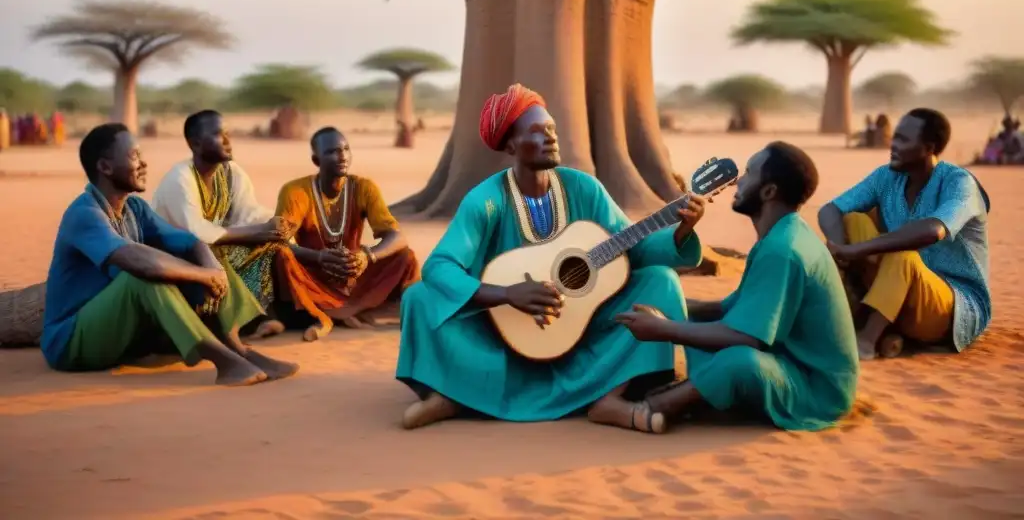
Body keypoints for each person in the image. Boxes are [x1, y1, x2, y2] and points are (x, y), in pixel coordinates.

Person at [395, 84, 706, 433]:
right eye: (537, 132)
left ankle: (611, 398)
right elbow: (439, 265)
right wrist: (506, 294)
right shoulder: (485, 201)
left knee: (660, 280)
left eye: (552, 130)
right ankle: (449, 395)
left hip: (579, 329)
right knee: (419, 297)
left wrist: (680, 231)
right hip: (505, 334)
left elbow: (631, 246)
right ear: (511, 144)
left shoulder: (585, 188)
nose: (551, 138)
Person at [617, 142, 859, 432]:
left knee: (738, 360)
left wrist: (663, 329)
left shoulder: (783, 249)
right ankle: (684, 391)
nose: (739, 181)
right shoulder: (781, 234)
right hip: (785, 362)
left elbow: (747, 339)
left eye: (748, 173)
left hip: (816, 392)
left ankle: (658, 406)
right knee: (696, 323)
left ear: (769, 192)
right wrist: (676, 306)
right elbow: (730, 309)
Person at [41, 123, 299, 385]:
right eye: (134, 156)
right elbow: (136, 261)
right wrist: (202, 276)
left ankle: (237, 348)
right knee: (141, 276)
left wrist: (212, 269)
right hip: (72, 343)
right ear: (105, 167)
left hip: (121, 333)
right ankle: (223, 361)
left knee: (209, 256)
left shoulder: (135, 208)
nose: (143, 164)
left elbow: (190, 242)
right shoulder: (84, 213)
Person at [818, 108, 991, 360]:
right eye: (895, 137)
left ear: (928, 147)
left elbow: (933, 230)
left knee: (903, 256)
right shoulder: (887, 176)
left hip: (950, 308)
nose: (893, 144)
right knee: (853, 220)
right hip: (894, 290)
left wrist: (857, 250)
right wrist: (840, 246)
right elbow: (831, 209)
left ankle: (866, 341)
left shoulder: (959, 183)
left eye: (903, 140)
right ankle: (856, 315)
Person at [273, 127, 420, 340]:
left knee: (406, 257)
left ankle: (342, 312)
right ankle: (328, 315)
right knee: (281, 255)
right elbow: (280, 241)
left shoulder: (363, 187)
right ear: (316, 160)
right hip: (313, 277)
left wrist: (366, 256)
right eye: (332, 151)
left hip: (353, 274)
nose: (342, 156)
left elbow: (397, 236)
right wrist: (319, 257)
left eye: (346, 149)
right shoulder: (296, 191)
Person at [152, 110, 288, 338]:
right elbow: (196, 234)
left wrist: (274, 224)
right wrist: (258, 231)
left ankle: (262, 316)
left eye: (227, 133)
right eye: (218, 134)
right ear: (194, 143)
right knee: (217, 253)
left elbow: (249, 213)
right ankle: (230, 324)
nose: (227, 140)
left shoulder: (231, 172)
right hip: (178, 259)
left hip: (213, 247)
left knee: (270, 246)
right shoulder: (180, 179)